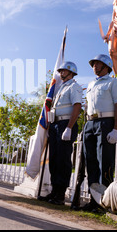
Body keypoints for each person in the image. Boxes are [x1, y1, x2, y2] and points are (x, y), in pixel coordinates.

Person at [82, 54, 117, 211]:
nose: (94, 66)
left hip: (106, 123)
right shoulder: (91, 84)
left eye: (97, 64)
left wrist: (116, 129)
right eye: (93, 64)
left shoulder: (114, 82)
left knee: (104, 163)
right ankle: (93, 201)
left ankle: (103, 203)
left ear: (106, 66)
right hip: (90, 123)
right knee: (91, 163)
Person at [38, 61, 82, 205]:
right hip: (56, 124)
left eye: (64, 71)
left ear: (71, 72)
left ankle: (61, 194)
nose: (61, 73)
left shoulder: (74, 87)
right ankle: (54, 191)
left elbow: (77, 107)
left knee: (63, 160)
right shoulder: (60, 88)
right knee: (54, 159)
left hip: (66, 124)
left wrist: (69, 127)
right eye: (61, 71)